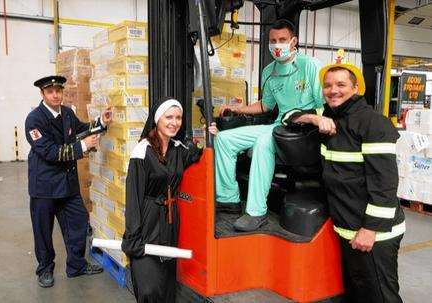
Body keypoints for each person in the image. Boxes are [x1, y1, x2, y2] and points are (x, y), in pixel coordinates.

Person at [289, 53, 405, 302]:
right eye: (328, 85)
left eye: (341, 85)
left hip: (374, 235)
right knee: (357, 294)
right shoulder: (330, 117)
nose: (333, 90)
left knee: (380, 297)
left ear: (355, 88)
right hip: (347, 229)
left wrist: (370, 229)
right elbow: (291, 117)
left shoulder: (374, 123)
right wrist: (313, 117)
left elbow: (384, 184)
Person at [215, 19, 324, 231]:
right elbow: (266, 105)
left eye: (282, 40)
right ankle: (229, 198)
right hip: (278, 125)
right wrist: (239, 109)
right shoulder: (269, 71)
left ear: (294, 41)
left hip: (304, 130)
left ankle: (256, 212)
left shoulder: (309, 65)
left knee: (265, 140)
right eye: (273, 40)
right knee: (223, 139)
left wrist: (308, 119)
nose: (277, 45)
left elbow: (322, 107)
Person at [121, 97, 217, 303]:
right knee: (148, 289)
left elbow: (199, 154)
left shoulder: (179, 149)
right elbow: (133, 197)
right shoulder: (142, 151)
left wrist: (211, 136)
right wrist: (132, 235)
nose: (174, 122)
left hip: (170, 222)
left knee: (166, 284)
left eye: (179, 117)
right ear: (157, 120)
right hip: (147, 222)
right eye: (169, 117)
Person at [25, 75, 113, 288]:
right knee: (43, 231)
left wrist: (101, 122)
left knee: (79, 222)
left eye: (58, 90)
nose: (55, 95)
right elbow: (49, 152)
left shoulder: (67, 113)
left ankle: (76, 266)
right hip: (44, 186)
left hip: (67, 183)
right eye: (50, 91)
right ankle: (45, 270)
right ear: (42, 94)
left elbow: (81, 128)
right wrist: (82, 146)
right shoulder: (34, 119)